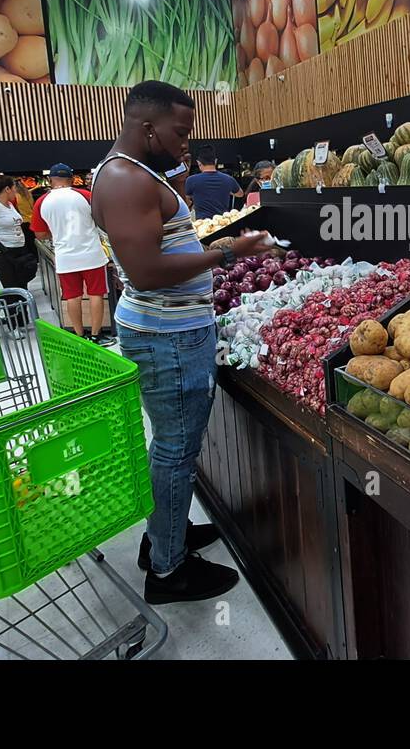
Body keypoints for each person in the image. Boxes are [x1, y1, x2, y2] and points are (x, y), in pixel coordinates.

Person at [92, 81, 270, 604]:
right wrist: (226, 254)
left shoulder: (138, 173)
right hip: (167, 338)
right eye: (179, 131)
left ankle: (164, 536)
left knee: (171, 447)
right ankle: (169, 573)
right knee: (174, 451)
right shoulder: (126, 180)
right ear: (147, 127)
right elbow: (145, 272)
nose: (186, 140)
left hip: (171, 332)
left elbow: (155, 248)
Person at [32, 163, 114, 345]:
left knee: (72, 296)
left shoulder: (41, 202)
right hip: (92, 254)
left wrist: (58, 233)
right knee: (96, 294)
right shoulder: (85, 195)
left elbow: (40, 233)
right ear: (71, 179)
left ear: (51, 179)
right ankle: (96, 335)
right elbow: (102, 220)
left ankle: (79, 335)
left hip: (65, 257)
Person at [184, 146, 244, 219]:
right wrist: (227, 190)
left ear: (198, 162)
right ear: (215, 161)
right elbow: (240, 194)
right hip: (222, 222)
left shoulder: (191, 180)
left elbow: (186, 201)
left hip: (202, 224)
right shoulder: (228, 179)